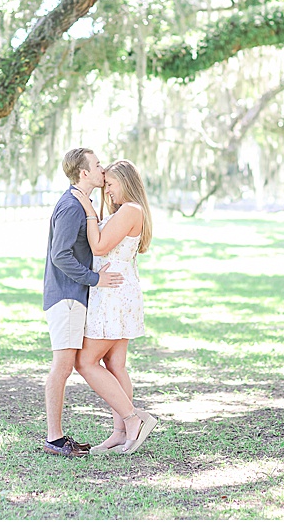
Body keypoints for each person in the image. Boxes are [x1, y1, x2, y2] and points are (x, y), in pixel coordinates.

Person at [70, 159, 158, 455]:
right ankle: (120, 433)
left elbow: (99, 246)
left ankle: (134, 420)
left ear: (126, 182)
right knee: (115, 365)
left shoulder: (132, 210)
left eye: (111, 185)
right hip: (116, 289)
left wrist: (87, 209)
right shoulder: (127, 211)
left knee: (85, 362)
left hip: (114, 293)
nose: (107, 191)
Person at [42, 148, 125, 457]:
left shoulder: (83, 204)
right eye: (98, 165)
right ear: (84, 173)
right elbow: (59, 255)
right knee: (62, 368)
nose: (103, 169)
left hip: (75, 298)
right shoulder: (70, 207)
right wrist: (95, 279)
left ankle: (59, 436)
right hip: (66, 298)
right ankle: (54, 438)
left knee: (67, 367)